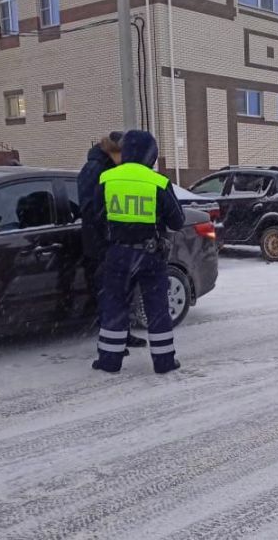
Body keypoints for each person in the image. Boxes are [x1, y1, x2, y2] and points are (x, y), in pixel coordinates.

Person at [92, 130, 185, 374]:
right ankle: (164, 362)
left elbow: (96, 217)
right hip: (150, 255)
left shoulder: (106, 179)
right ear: (151, 155)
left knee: (114, 305)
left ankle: (109, 361)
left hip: (117, 254)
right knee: (156, 308)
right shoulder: (158, 182)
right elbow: (177, 221)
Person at [78, 133, 147, 347]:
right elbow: (92, 211)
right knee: (109, 294)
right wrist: (109, 233)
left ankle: (121, 336)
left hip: (113, 243)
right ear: (114, 151)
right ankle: (111, 340)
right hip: (102, 245)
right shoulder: (95, 170)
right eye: (124, 155)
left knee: (119, 292)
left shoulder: (107, 168)